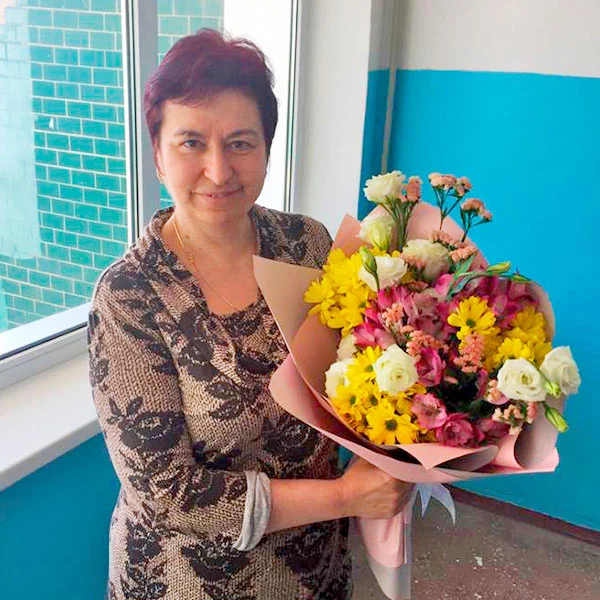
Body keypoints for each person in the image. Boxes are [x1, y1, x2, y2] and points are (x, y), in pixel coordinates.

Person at [88, 28, 413, 600]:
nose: (218, 171)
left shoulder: (306, 246)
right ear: (158, 156)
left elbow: (364, 369)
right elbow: (168, 493)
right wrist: (347, 496)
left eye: (240, 143)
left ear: (266, 149)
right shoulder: (130, 296)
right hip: (188, 579)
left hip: (315, 564)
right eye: (191, 142)